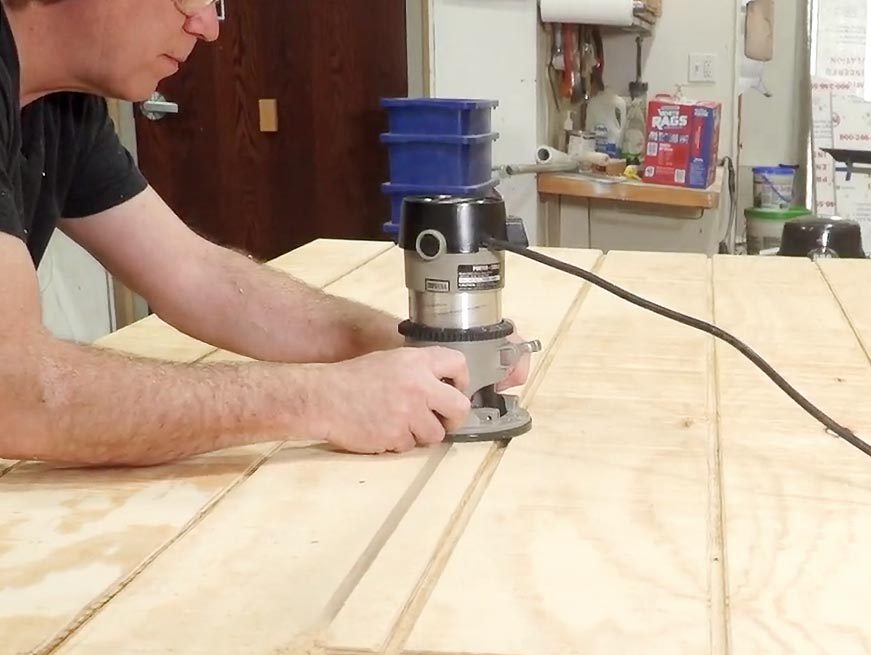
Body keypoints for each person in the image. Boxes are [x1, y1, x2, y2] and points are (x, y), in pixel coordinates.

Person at [0, 0, 531, 466]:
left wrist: (406, 342)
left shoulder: (59, 104)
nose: (208, 27)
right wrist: (320, 399)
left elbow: (195, 275)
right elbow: (14, 392)